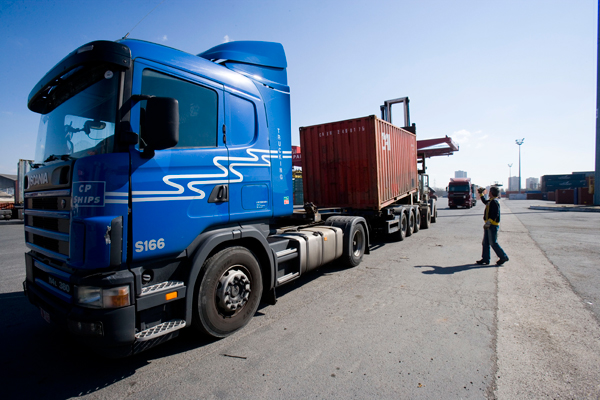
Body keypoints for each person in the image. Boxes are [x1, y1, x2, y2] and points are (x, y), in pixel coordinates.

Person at [476, 186, 509, 265]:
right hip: (489, 225)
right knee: (485, 243)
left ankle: (503, 257)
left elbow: (495, 214)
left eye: (489, 191)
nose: (488, 192)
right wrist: (481, 194)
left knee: (493, 243)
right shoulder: (491, 201)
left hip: (492, 225)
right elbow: (485, 201)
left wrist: (489, 222)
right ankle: (485, 259)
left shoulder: (494, 202)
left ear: (491, 193)